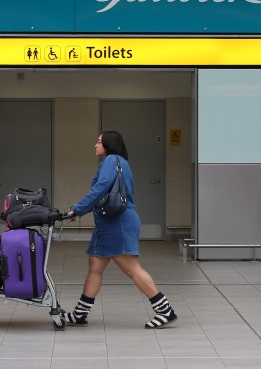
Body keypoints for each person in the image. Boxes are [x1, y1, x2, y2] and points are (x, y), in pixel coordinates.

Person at [65, 131, 178, 329]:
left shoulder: (112, 160)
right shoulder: (117, 162)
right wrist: (81, 211)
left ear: (108, 144)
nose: (95, 145)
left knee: (131, 268)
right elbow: (105, 194)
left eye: (99, 141)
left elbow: (101, 188)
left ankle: (165, 310)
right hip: (109, 222)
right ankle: (80, 314)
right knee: (95, 265)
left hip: (118, 223)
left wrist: (78, 208)